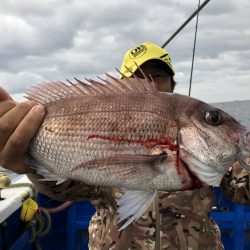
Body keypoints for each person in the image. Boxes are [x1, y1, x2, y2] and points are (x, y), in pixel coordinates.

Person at [0, 41, 249, 249]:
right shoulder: (102, 118)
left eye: (158, 76)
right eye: (138, 77)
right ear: (121, 87)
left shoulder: (217, 154)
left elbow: (242, 187)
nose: (149, 83)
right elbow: (69, 189)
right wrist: (28, 163)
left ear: (172, 85)